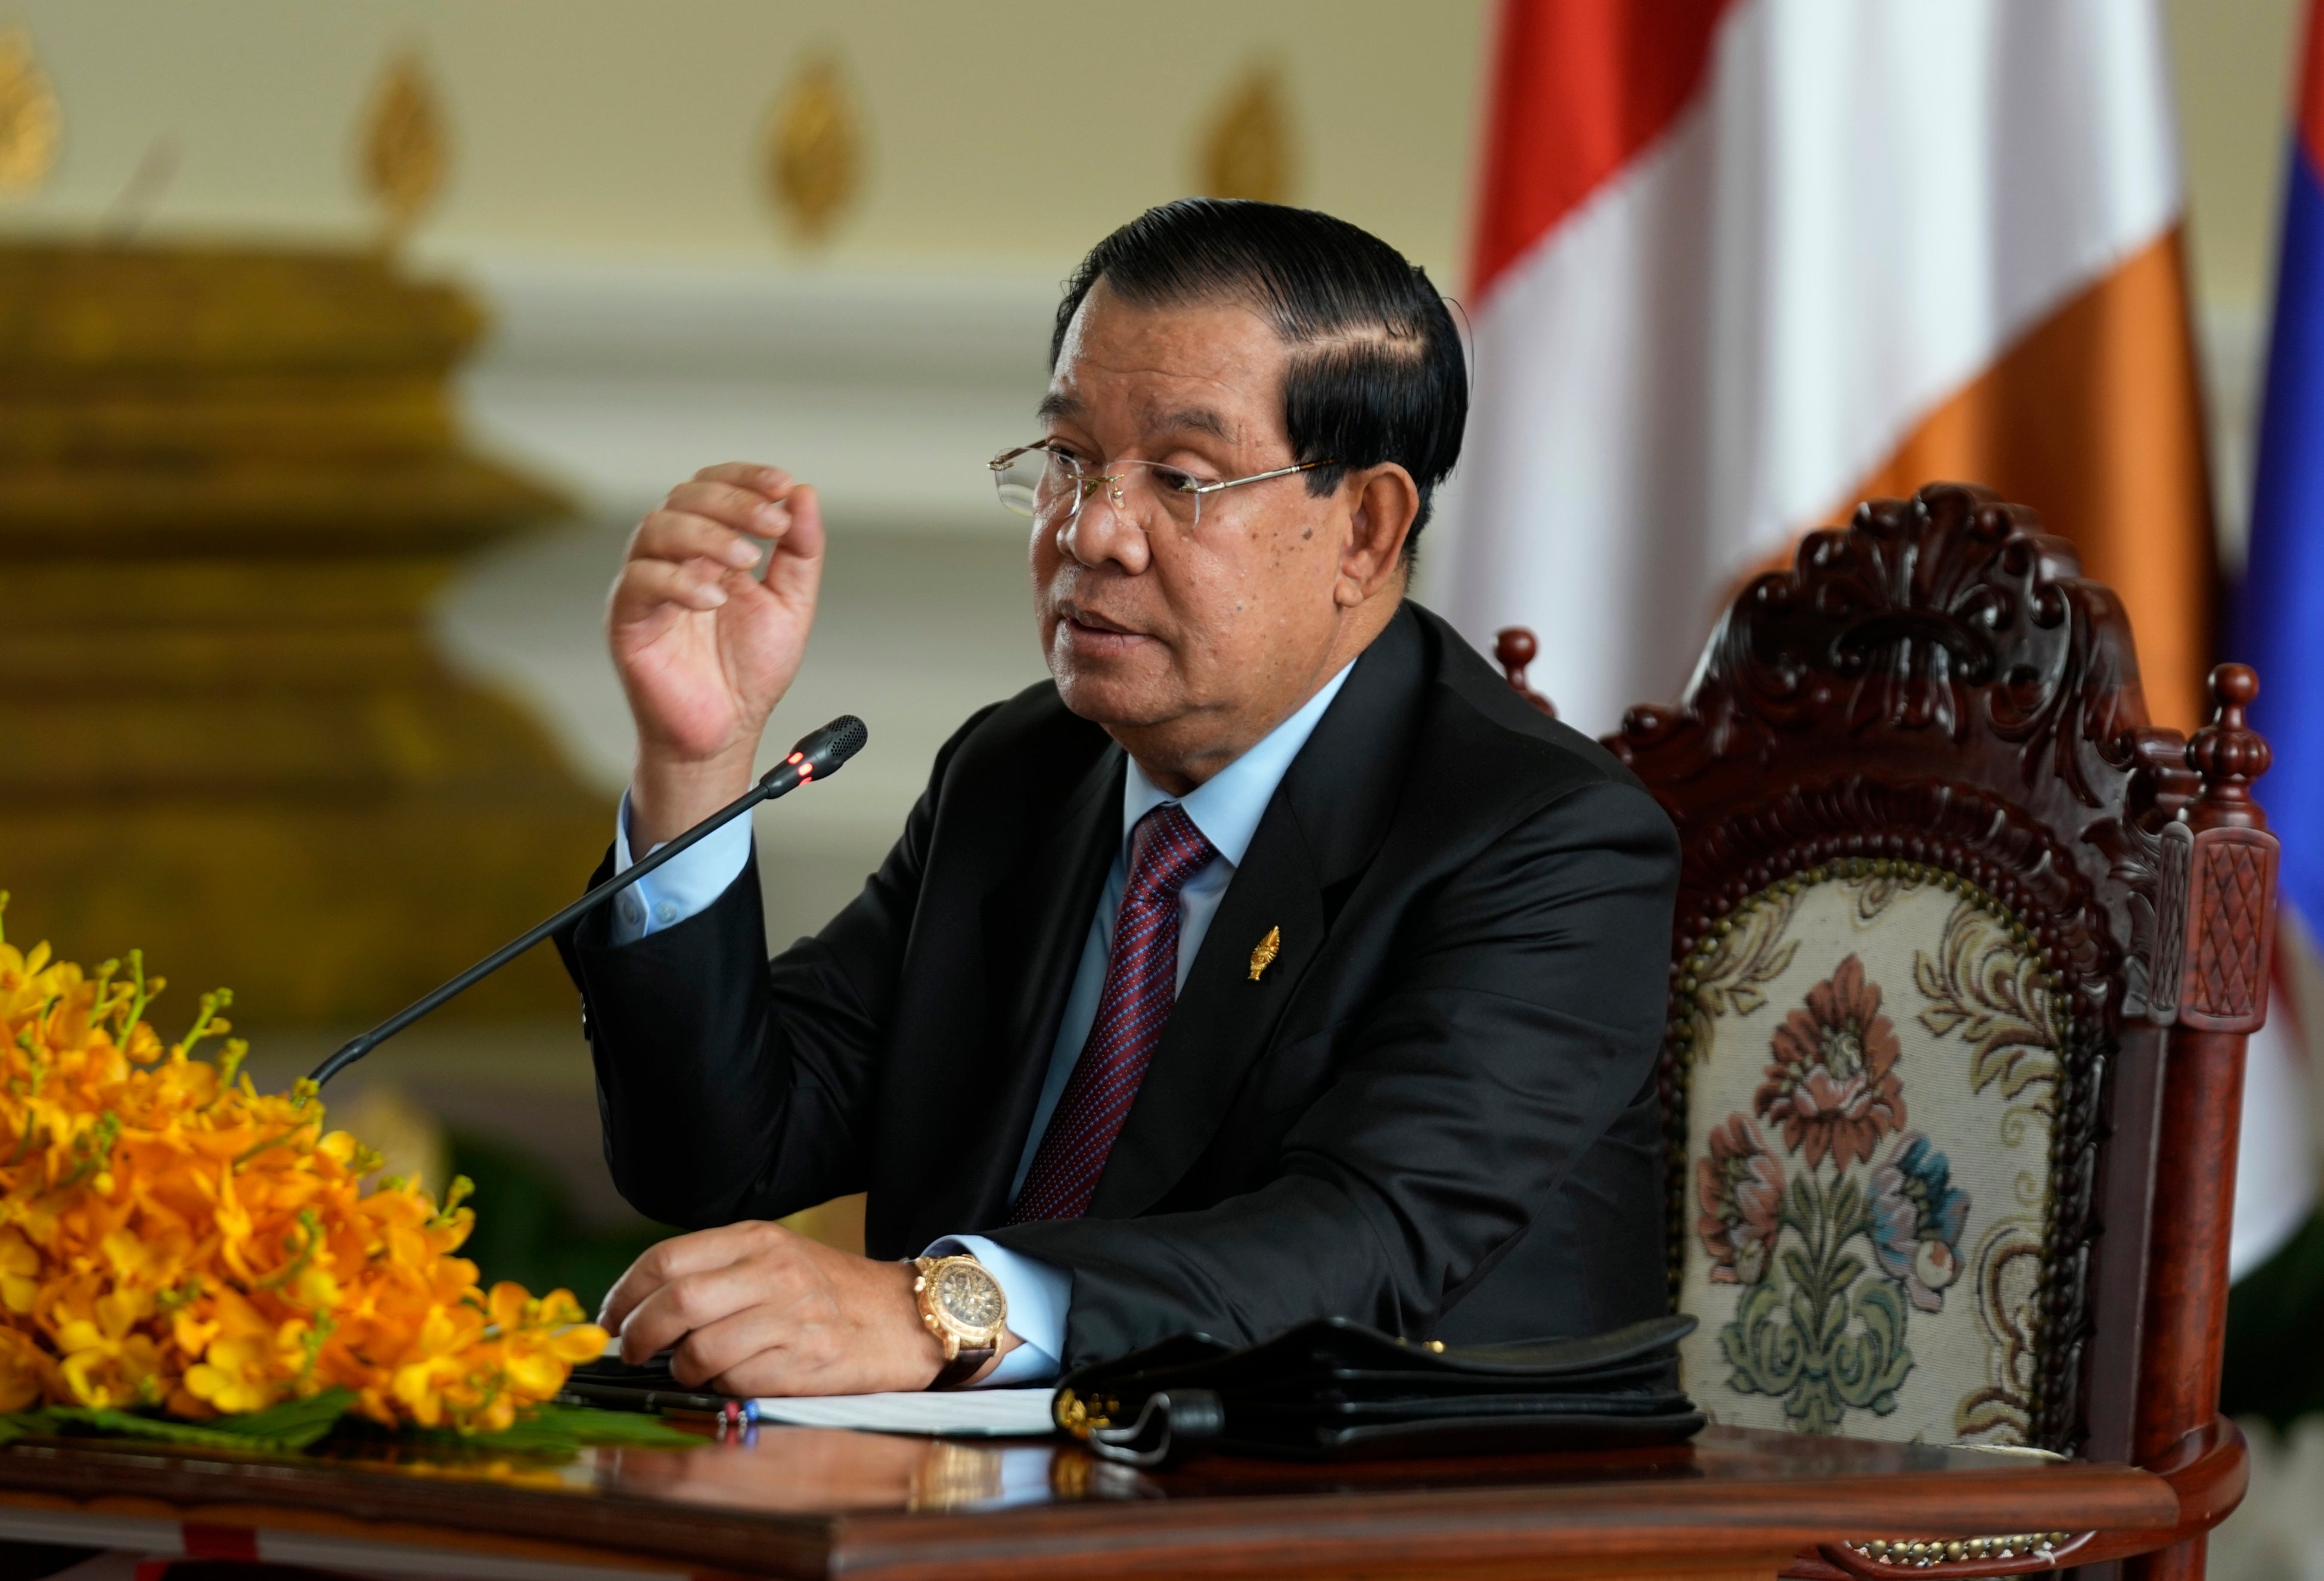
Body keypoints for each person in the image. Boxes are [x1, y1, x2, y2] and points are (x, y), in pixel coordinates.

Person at [560, 199, 1678, 1397]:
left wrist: (940, 1313)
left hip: (1387, 1489)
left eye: (1181, 479)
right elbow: (720, 1158)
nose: (1093, 533)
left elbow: (1361, 1243)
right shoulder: (1022, 771)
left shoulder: (1545, 840)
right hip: (981, 1483)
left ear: (1364, 528)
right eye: (1069, 460)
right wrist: (694, 763)